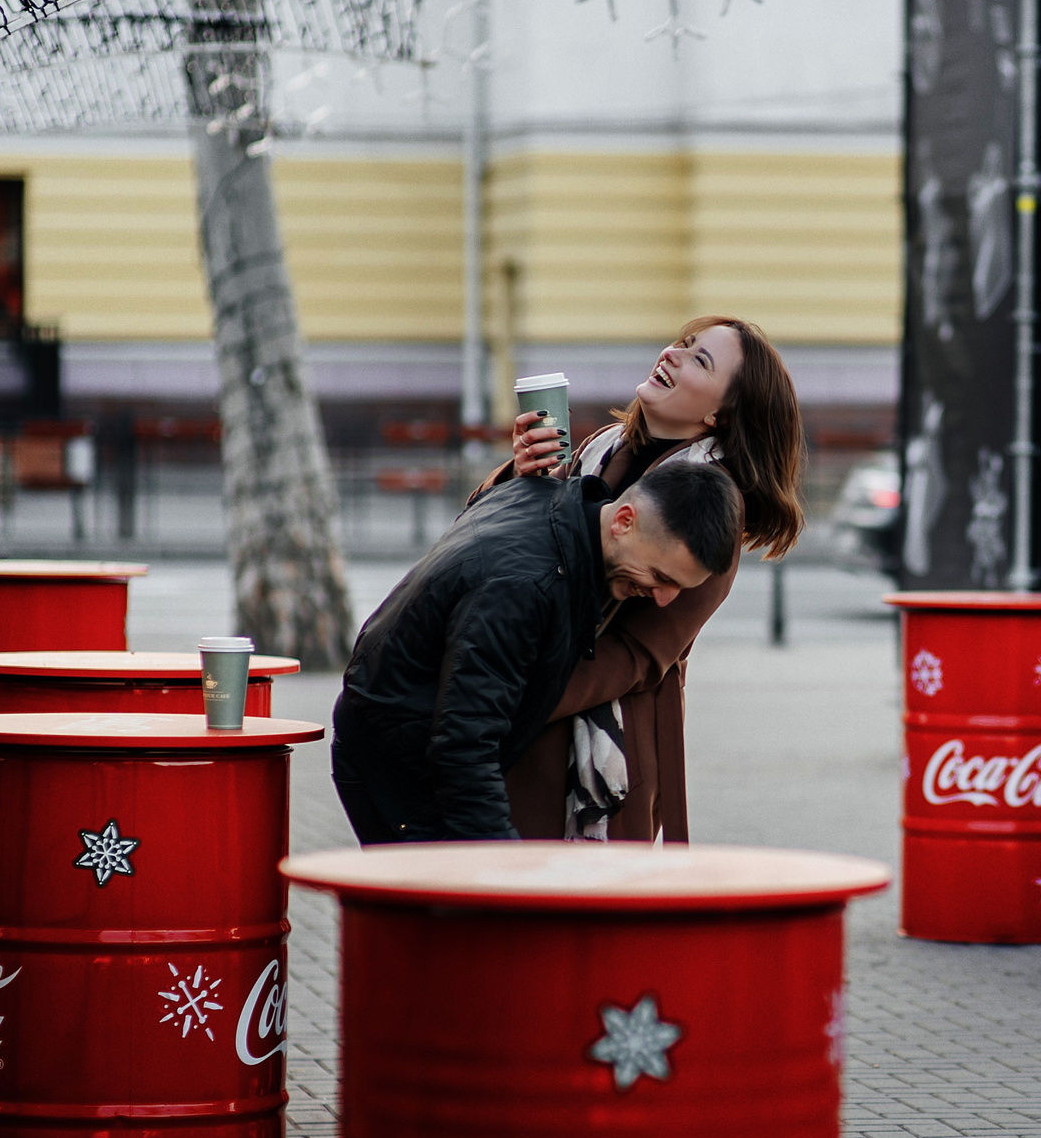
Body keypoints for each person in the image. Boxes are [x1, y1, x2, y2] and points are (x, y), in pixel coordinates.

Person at [473, 315, 805, 841]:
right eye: (685, 342)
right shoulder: (600, 447)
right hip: (521, 699)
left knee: (579, 907)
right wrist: (521, 473)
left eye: (700, 359)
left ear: (722, 413)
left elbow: (640, 652)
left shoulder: (712, 507)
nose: (673, 353)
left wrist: (511, 701)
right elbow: (497, 544)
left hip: (599, 737)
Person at [330, 457, 743, 843]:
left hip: (394, 738)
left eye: (677, 588)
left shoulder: (549, 500)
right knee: (448, 917)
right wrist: (506, 866)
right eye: (658, 576)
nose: (663, 598)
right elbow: (465, 745)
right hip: (396, 768)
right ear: (623, 520)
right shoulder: (524, 586)